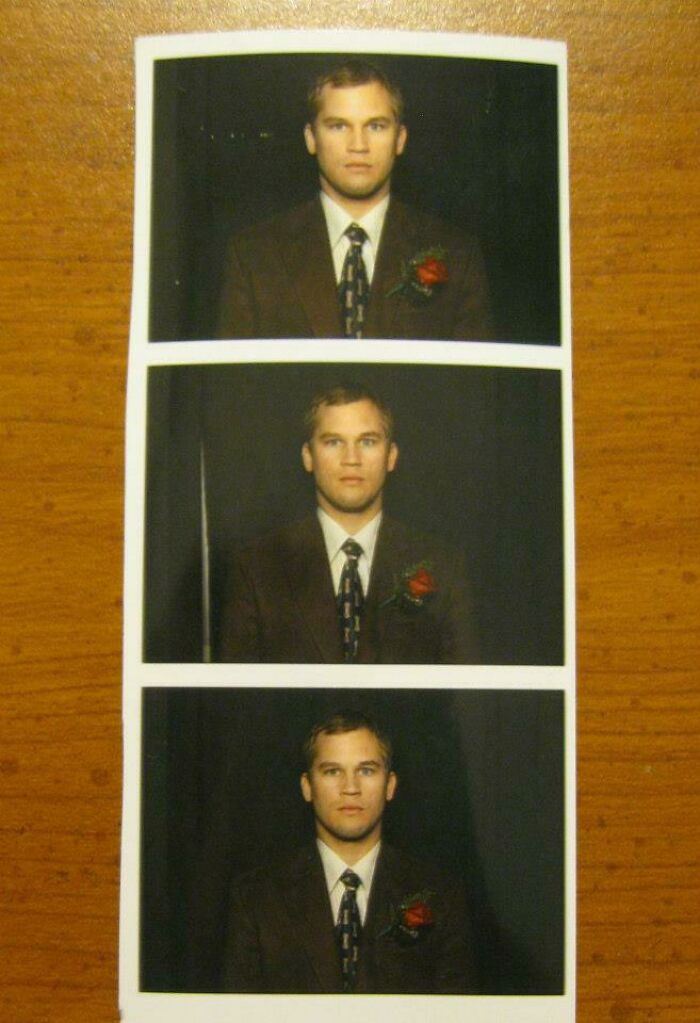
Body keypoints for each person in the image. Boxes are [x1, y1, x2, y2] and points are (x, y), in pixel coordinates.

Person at [216, 59, 493, 341]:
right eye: (338, 126)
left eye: (376, 126)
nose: (358, 145)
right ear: (311, 138)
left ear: (400, 139)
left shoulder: (459, 255)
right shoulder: (254, 255)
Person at [219, 384, 479, 663]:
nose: (351, 459)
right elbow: (237, 701)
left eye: (367, 441)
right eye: (333, 442)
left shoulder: (442, 566)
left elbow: (464, 699)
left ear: (391, 456)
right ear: (308, 457)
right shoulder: (257, 567)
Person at [222, 712, 474, 993]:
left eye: (366, 770)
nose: (350, 788)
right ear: (308, 787)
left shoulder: (441, 896)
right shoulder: (256, 897)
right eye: (332, 771)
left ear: (390, 785)